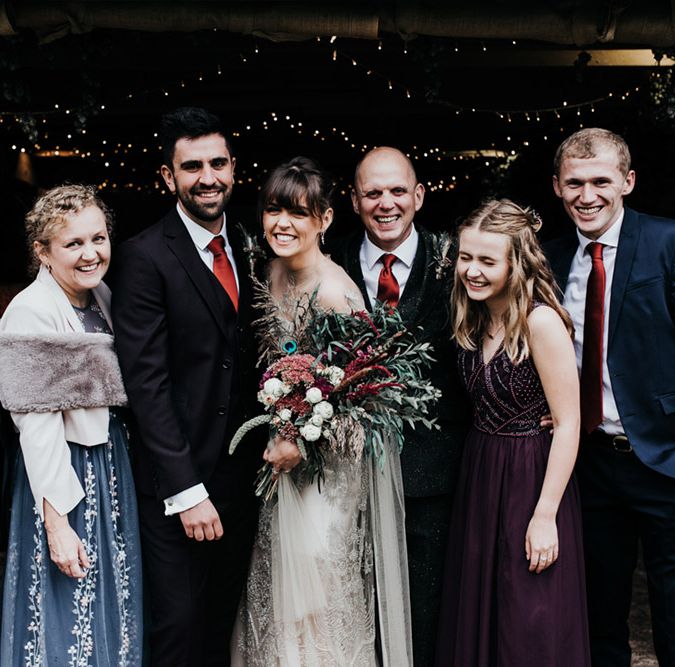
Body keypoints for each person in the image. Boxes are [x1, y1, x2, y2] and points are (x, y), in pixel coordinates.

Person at [546, 127, 675, 666]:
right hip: (592, 467)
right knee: (599, 622)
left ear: (627, 182)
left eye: (600, 181)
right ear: (557, 186)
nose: (587, 195)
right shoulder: (548, 258)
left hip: (670, 461)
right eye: (574, 182)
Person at [232, 156, 412, 665]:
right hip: (281, 464)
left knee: (317, 588)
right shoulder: (268, 273)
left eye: (298, 213)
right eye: (273, 210)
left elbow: (370, 397)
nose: (282, 224)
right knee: (278, 586)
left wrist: (303, 436)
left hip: (328, 474)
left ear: (325, 220)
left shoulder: (338, 293)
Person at [111, 107, 262, 666]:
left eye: (218, 163)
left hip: (244, 479)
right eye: (192, 166)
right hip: (177, 488)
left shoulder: (254, 242)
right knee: (176, 627)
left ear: (233, 168)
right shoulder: (143, 256)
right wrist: (187, 491)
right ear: (167, 177)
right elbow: (145, 383)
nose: (208, 177)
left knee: (223, 623)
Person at [434, 199, 589, 665]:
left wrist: (545, 516)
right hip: (481, 471)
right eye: (466, 257)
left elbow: (568, 423)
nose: (472, 271)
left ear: (515, 263)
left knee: (529, 617)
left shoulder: (540, 322)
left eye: (487, 261)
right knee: (480, 610)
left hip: (532, 478)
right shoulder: (474, 316)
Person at [330, 146, 468, 666]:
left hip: (433, 474)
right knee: (353, 601)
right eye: (372, 193)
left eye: (396, 191)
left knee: (427, 608)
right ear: (353, 200)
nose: (385, 204)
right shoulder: (328, 258)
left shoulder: (457, 259)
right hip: (345, 474)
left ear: (419, 195)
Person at [0, 184, 142, 665]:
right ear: (42, 251)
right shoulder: (29, 309)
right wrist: (57, 523)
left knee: (111, 597)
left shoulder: (101, 294)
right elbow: (36, 429)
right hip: (64, 476)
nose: (90, 253)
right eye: (73, 244)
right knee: (68, 603)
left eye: (98, 239)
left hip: (109, 465)